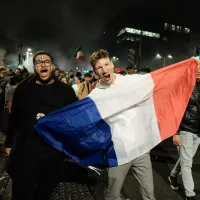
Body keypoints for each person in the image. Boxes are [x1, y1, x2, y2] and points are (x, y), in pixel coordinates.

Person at [5, 51, 77, 200]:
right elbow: (14, 118)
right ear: (34, 68)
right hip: (25, 153)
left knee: (44, 193)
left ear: (52, 66)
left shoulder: (66, 91)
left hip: (52, 154)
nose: (43, 63)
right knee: (21, 193)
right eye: (38, 62)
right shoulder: (23, 89)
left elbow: (72, 121)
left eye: (47, 61)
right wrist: (8, 143)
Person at [89, 49, 156, 200]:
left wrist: (191, 65)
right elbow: (78, 116)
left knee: (149, 195)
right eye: (99, 67)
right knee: (112, 196)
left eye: (106, 64)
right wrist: (50, 119)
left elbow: (161, 79)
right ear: (95, 72)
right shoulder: (95, 95)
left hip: (141, 150)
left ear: (112, 64)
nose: (104, 69)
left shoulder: (130, 81)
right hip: (118, 152)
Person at [168, 73, 200, 200]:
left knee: (185, 159)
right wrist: (175, 132)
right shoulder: (184, 85)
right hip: (185, 129)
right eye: (197, 67)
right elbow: (176, 109)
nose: (199, 70)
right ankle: (190, 194)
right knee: (187, 163)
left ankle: (173, 176)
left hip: (198, 131)